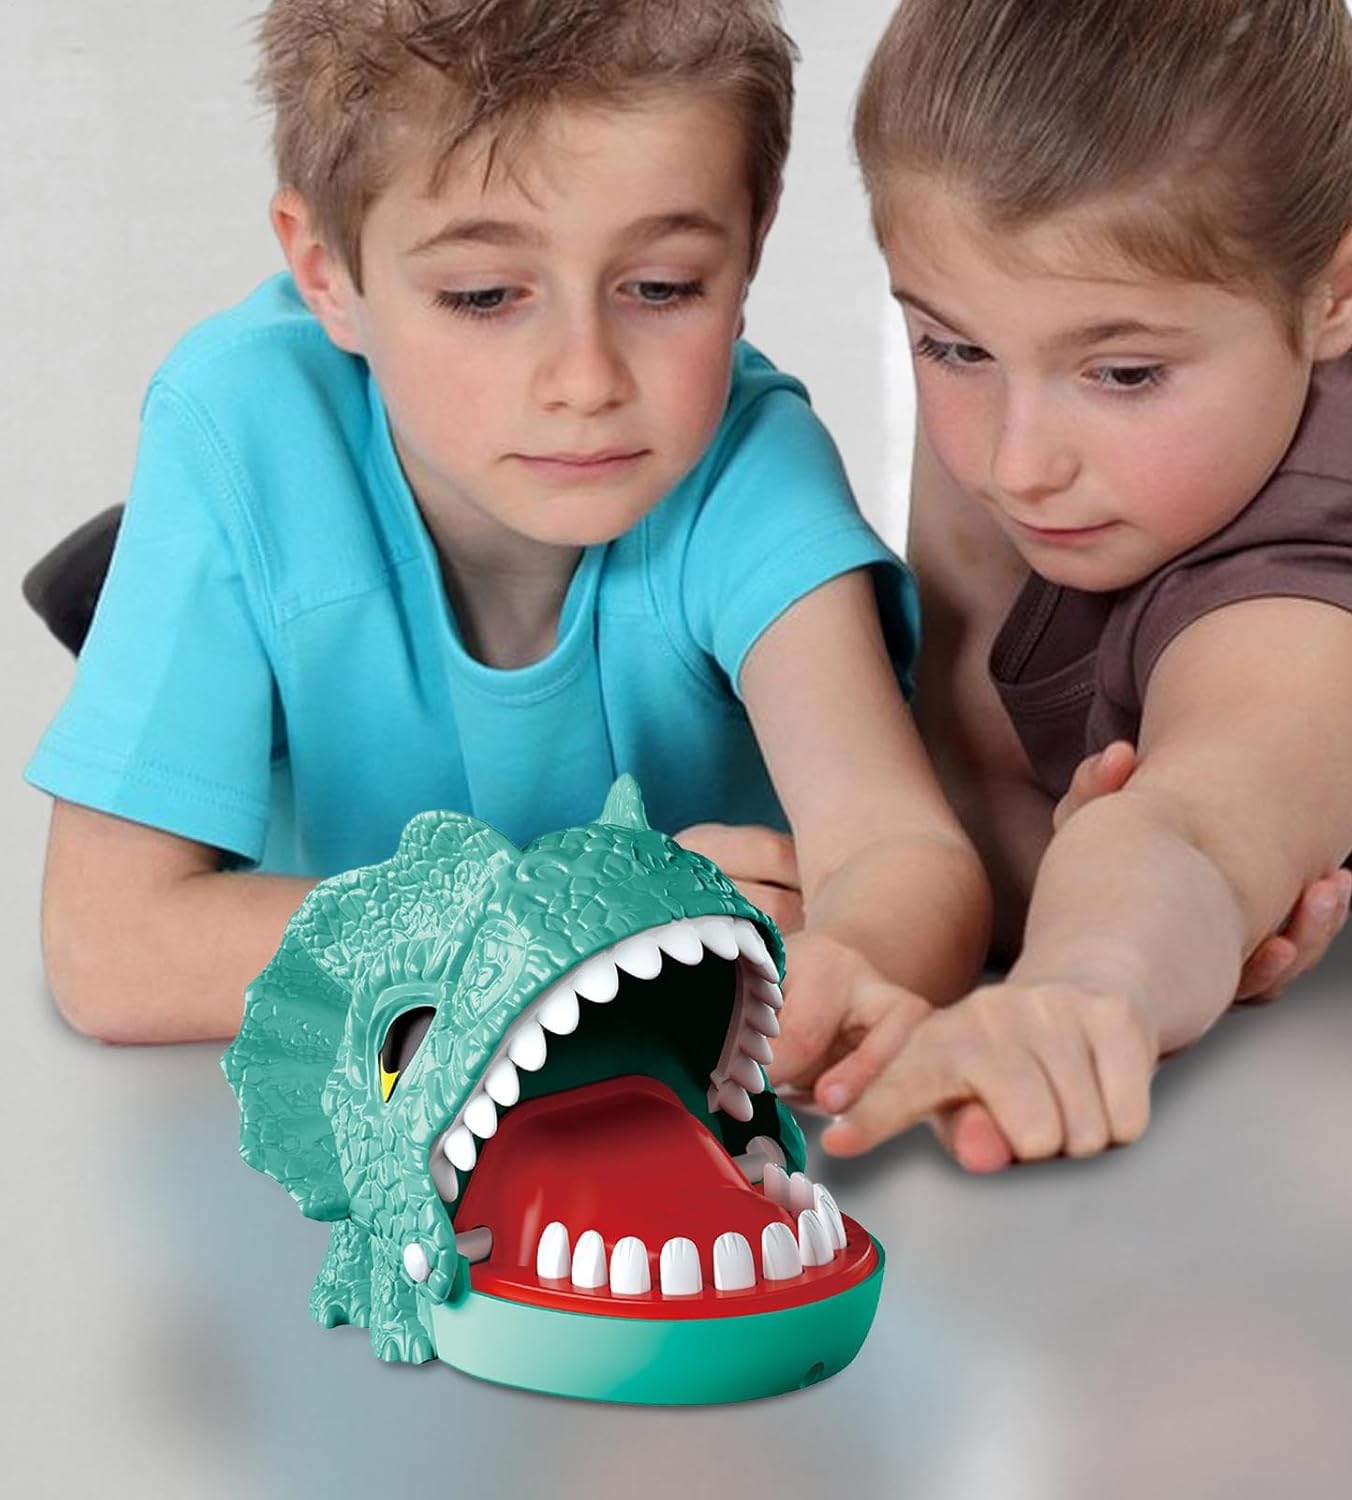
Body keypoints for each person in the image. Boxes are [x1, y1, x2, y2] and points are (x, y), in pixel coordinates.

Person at [25, 0, 992, 1049]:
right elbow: (108, 951)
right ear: (326, 276)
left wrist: (843, 972)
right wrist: (584, 926)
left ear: (750, 246)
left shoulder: (750, 465)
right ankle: (160, 610)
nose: (585, 380)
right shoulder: (236, 425)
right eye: (485, 296)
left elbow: (901, 851)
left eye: (662, 287)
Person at [795, 0, 1352, 1171]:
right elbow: (963, 765)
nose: (1018, 464)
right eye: (954, 348)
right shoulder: (1040, 314)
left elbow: (1192, 830)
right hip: (1341, 241)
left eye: (1122, 374)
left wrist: (1087, 983)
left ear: (1340, 294)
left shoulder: (1336, 573)